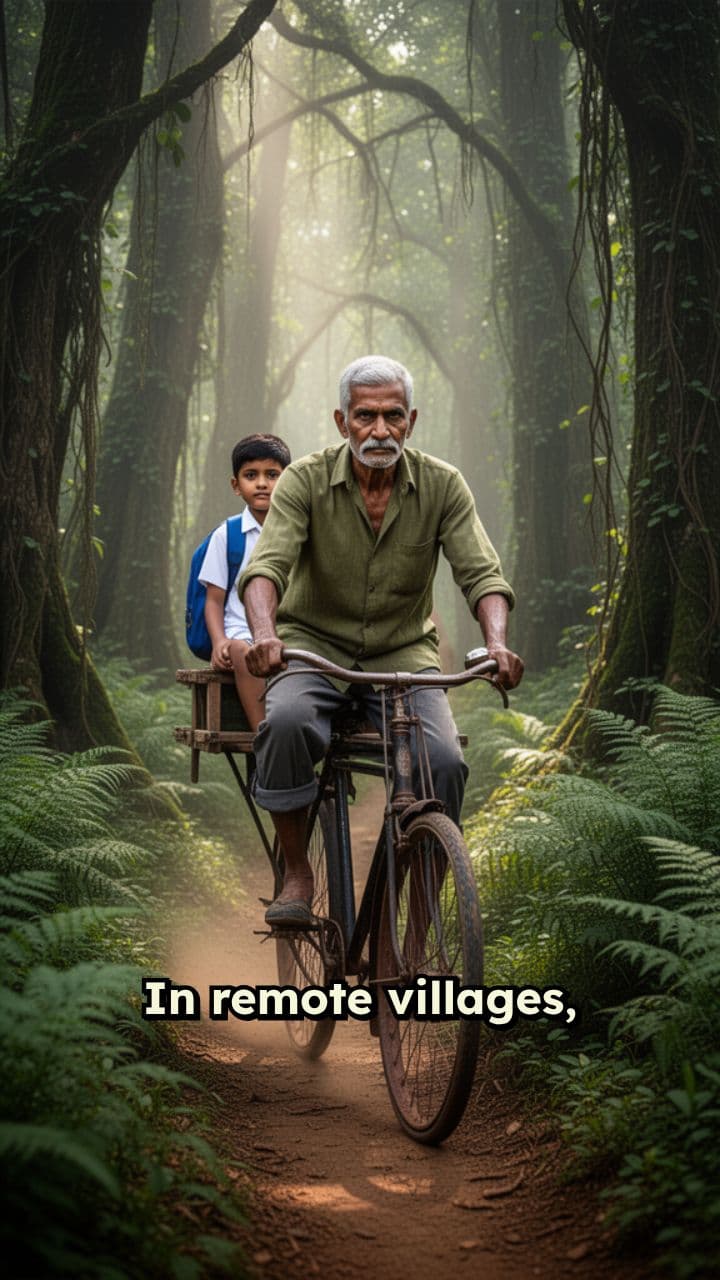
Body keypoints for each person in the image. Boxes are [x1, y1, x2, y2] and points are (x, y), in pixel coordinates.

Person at [239, 356, 524, 925]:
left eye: (392, 416)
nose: (379, 430)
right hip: (311, 647)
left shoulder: (442, 484)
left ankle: (420, 912)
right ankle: (296, 867)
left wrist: (496, 642)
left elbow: (482, 574)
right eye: (364, 416)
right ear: (342, 421)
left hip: (404, 654)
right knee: (288, 723)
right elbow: (266, 568)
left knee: (443, 763)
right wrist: (266, 635)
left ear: (410, 421)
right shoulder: (304, 480)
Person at [199, 433, 291, 731]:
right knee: (242, 650)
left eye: (272, 475)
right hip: (241, 634)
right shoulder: (227, 536)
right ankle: (263, 735)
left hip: (288, 633)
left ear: (288, 480)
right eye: (251, 475)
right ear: (236, 485)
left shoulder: (297, 532)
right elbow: (214, 599)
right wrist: (219, 642)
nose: (262, 483)